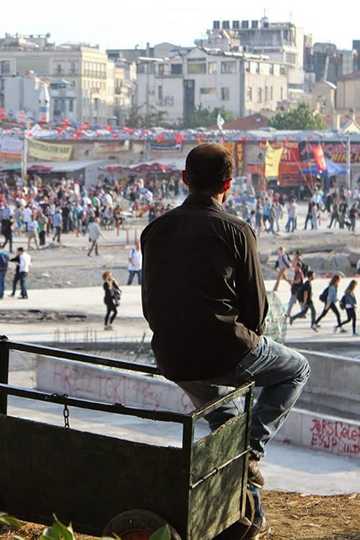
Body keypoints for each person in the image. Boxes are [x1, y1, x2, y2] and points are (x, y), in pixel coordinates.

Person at [141, 144, 310, 537]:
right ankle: (252, 453)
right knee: (296, 370)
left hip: (173, 357)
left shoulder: (155, 230)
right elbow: (257, 310)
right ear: (228, 185)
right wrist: (244, 340)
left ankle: (246, 519)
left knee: (228, 417)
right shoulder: (236, 230)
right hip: (226, 350)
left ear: (184, 179)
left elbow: (151, 303)